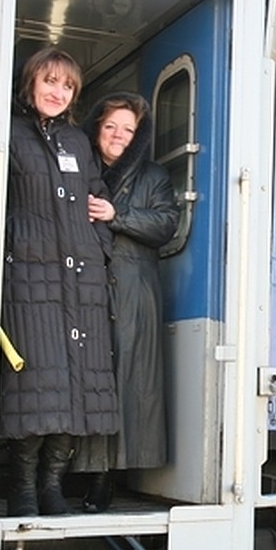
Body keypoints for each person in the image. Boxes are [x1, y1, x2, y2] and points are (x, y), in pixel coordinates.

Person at [0, 47, 120, 516]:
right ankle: (23, 489)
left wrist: (102, 236)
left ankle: (53, 485)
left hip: (82, 281)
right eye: (50, 81)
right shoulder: (8, 133)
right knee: (34, 382)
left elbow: (99, 199)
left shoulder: (76, 141)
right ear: (31, 83)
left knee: (77, 385)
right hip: (30, 280)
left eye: (67, 85)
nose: (57, 91)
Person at [72, 92, 180, 513]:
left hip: (135, 291)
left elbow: (166, 223)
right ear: (97, 128)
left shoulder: (153, 175)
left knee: (124, 384)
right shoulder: (78, 168)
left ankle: (104, 479)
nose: (118, 135)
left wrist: (114, 214)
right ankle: (68, 472)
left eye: (128, 130)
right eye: (111, 126)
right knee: (86, 378)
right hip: (85, 287)